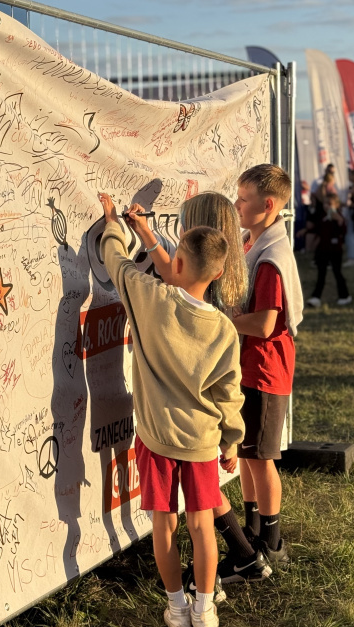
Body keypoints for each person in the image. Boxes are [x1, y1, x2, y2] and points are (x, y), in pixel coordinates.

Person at [98, 193, 245, 627]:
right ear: (219, 273)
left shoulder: (149, 297)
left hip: (156, 441)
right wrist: (232, 441)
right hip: (202, 443)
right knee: (203, 526)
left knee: (164, 525)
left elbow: (115, 261)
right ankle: (205, 611)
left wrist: (112, 225)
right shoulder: (223, 329)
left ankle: (176, 607)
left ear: (174, 262)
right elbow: (229, 394)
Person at [125, 193, 270, 596]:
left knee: (191, 511)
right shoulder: (226, 269)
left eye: (185, 224)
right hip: (207, 420)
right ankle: (241, 559)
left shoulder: (199, 297)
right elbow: (175, 274)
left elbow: (172, 281)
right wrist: (149, 236)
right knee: (203, 505)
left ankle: (234, 564)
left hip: (184, 416)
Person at [229, 164, 303, 581]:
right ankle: (255, 530)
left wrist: (223, 319)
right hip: (250, 367)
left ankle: (272, 544)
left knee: (261, 459)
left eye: (243, 199)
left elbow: (264, 324)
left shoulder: (271, 257)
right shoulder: (252, 243)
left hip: (265, 372)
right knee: (247, 456)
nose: (237, 205)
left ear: (268, 205)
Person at [307, 192, 351, 307]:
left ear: (336, 205)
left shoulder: (339, 217)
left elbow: (343, 232)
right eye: (325, 203)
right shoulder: (322, 217)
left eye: (329, 204)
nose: (326, 206)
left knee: (337, 273)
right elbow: (318, 229)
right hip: (323, 249)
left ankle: (344, 295)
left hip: (335, 251)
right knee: (321, 274)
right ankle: (316, 297)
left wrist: (339, 221)